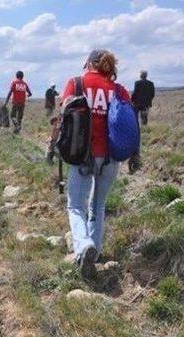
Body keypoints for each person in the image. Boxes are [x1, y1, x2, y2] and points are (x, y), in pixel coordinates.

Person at [60, 49, 140, 279]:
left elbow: (63, 118)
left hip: (81, 155)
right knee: (99, 205)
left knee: (76, 206)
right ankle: (94, 252)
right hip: (110, 156)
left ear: (88, 63)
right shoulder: (118, 89)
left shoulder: (76, 83)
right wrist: (135, 153)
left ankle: (83, 246)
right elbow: (131, 123)